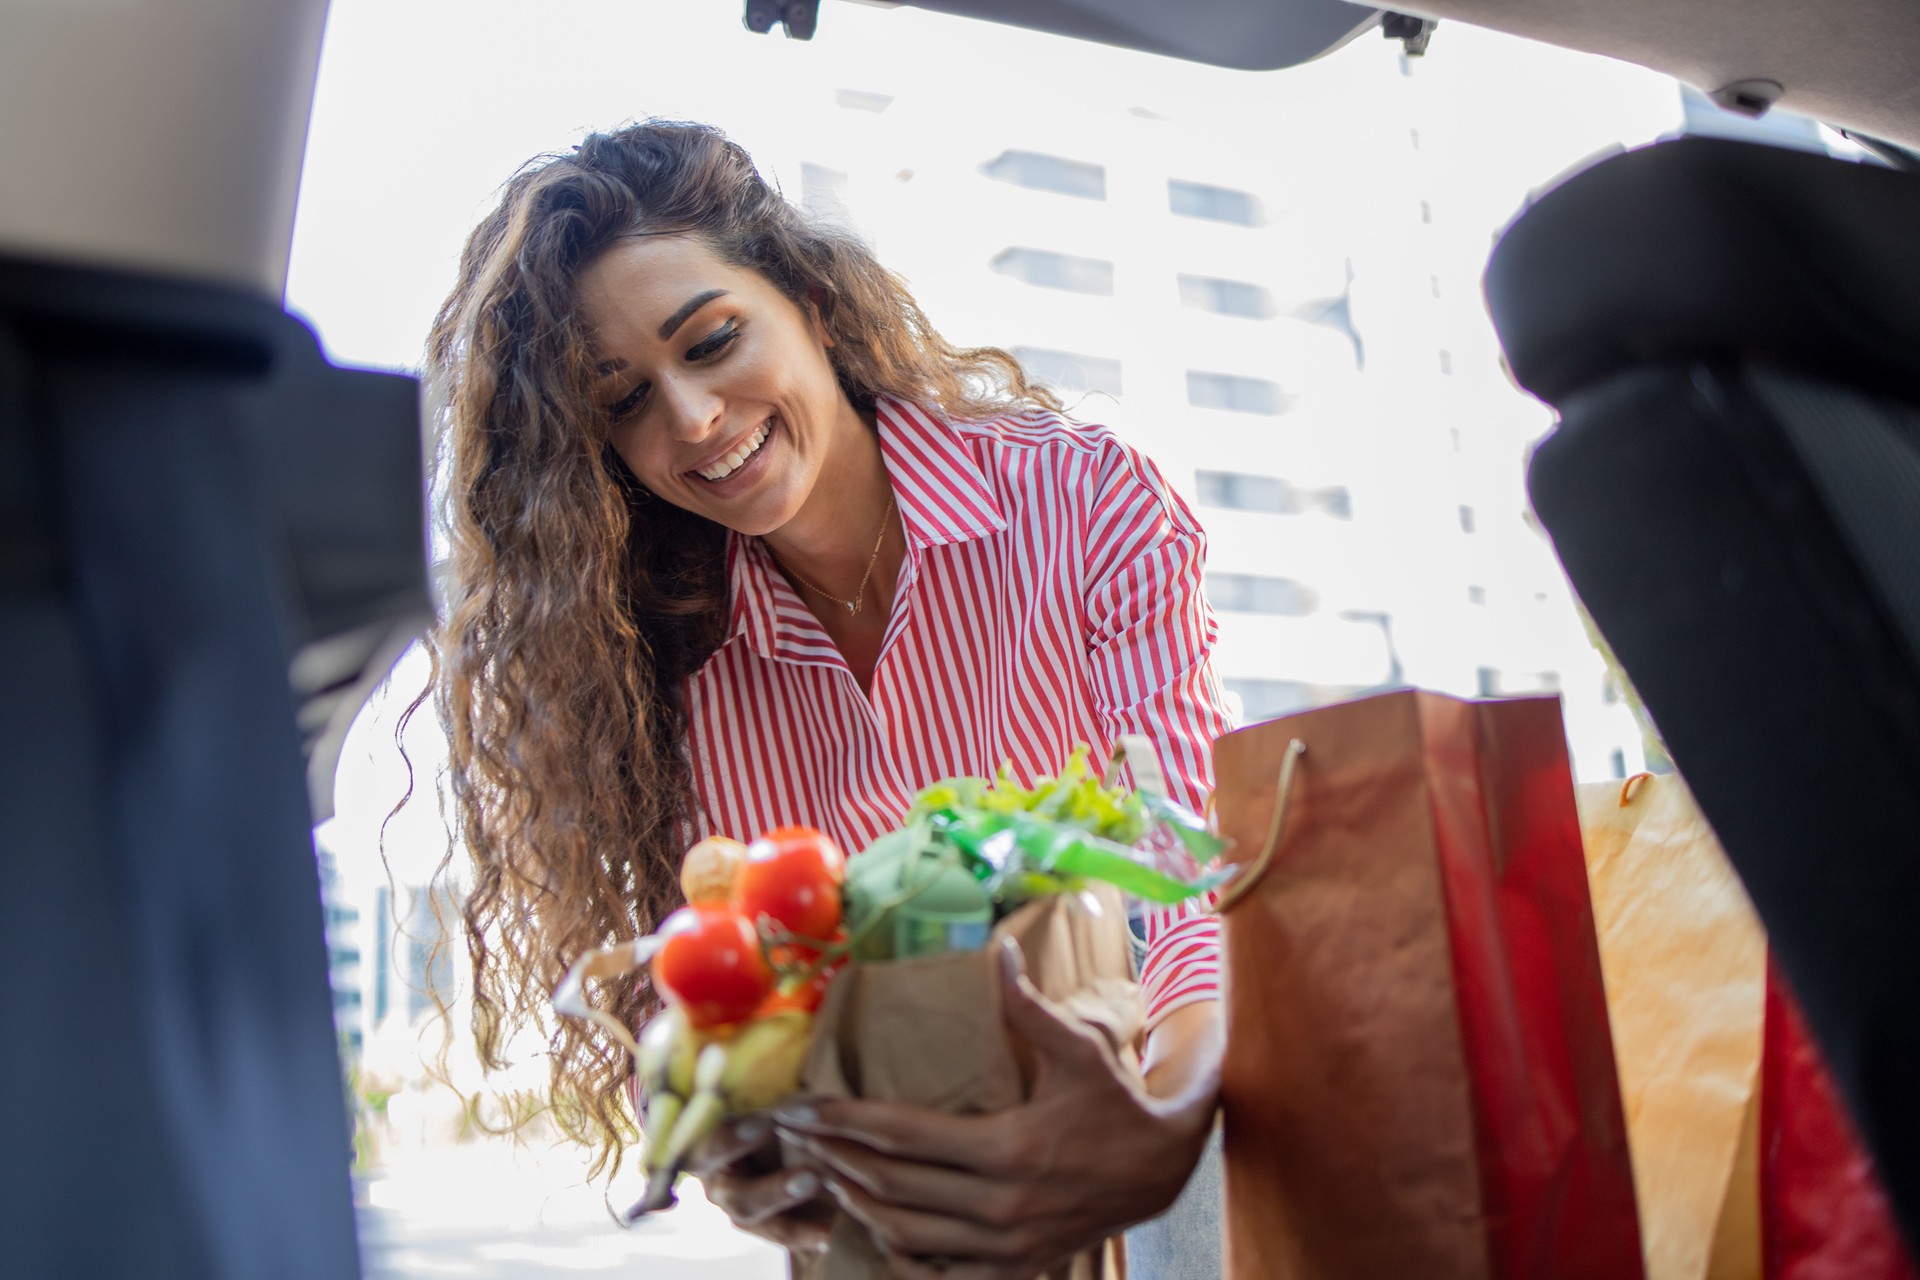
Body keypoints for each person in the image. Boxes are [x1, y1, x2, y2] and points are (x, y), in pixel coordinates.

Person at [425, 119, 1234, 1279]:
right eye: (625, 402)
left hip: (1155, 1119)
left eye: (711, 341)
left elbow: (1188, 881)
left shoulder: (1082, 500)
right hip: (902, 1189)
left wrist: (1148, 1133)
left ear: (808, 296)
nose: (692, 418)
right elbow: (753, 990)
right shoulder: (669, 665)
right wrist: (745, 1146)